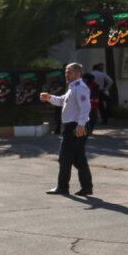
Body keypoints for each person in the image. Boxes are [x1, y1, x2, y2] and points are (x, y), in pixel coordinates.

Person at [40, 62, 93, 196]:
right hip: (74, 125)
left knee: (65, 157)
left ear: (77, 73)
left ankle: (63, 187)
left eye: (69, 72)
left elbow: (86, 107)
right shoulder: (73, 87)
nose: (66, 74)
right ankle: (87, 187)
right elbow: (62, 101)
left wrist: (81, 125)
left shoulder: (80, 87)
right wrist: (49, 98)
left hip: (75, 126)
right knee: (78, 158)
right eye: (66, 72)